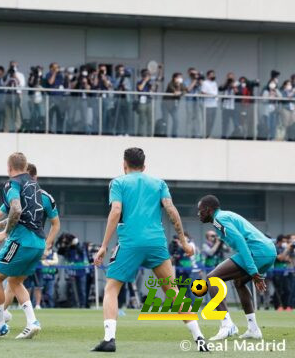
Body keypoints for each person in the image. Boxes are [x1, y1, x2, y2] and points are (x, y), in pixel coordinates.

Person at [92, 148, 207, 352]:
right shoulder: (159, 183)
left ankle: (109, 339)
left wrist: (103, 246)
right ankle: (199, 337)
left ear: (124, 164)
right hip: (156, 244)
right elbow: (171, 210)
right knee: (173, 292)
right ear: (144, 167)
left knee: (111, 288)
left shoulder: (118, 182)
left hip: (130, 244)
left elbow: (116, 211)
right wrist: (183, 241)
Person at [0, 153, 50, 339]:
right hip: (38, 243)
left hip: (21, 241)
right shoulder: (34, 186)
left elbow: (16, 210)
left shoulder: (12, 184)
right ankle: (32, 322)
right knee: (15, 282)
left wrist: (6, 232)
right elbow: (10, 215)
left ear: (9, 168)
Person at [197, 194, 277, 340]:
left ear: (209, 210)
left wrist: (253, 271)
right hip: (268, 251)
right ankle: (253, 329)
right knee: (239, 282)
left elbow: (241, 242)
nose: (198, 214)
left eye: (200, 210)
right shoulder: (221, 219)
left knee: (211, 278)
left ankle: (227, 325)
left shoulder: (218, 219)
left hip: (258, 251)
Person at [201, 70, 219, 138]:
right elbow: (203, 93)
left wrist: (216, 98)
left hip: (214, 105)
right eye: (211, 75)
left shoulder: (215, 83)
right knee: (208, 121)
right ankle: (205, 135)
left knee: (212, 121)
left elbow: (216, 92)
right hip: (207, 105)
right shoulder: (205, 83)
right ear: (208, 76)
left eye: (213, 74)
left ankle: (209, 134)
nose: (213, 76)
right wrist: (211, 95)